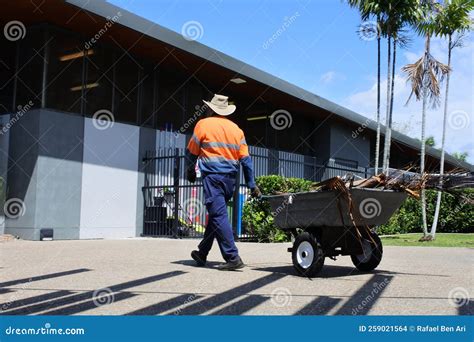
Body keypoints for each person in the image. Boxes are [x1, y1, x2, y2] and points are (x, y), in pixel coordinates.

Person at [186, 94, 261, 271]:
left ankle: (232, 257)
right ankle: (202, 252)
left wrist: (190, 170)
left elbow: (191, 152)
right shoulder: (237, 130)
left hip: (212, 178)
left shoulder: (203, 124)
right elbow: (246, 161)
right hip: (230, 180)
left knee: (219, 215)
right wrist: (251, 184)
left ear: (211, 109)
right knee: (216, 214)